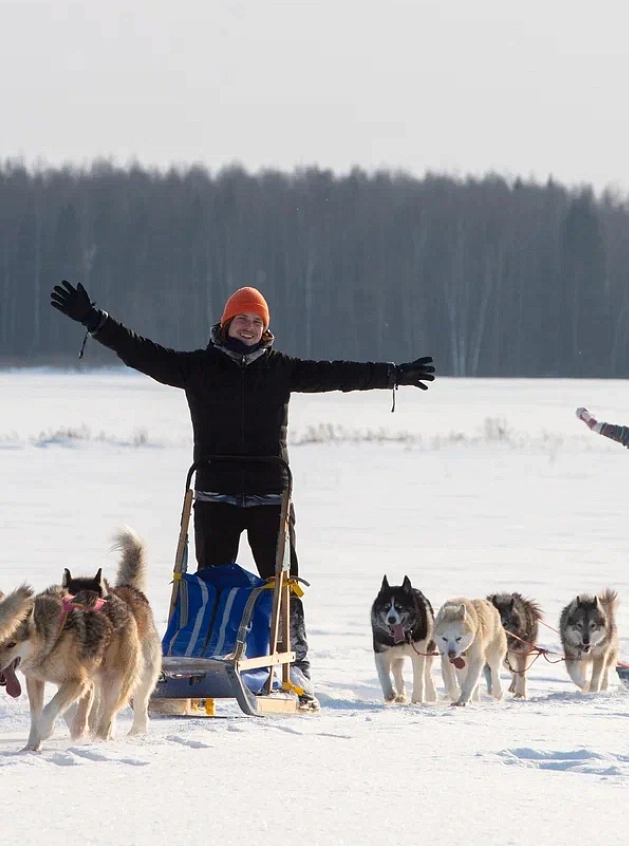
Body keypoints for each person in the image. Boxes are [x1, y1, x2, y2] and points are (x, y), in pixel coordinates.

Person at [50, 280, 435, 711]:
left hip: (272, 495)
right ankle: (204, 667)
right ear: (226, 322)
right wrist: (94, 320)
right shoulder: (198, 367)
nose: (249, 327)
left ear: (265, 328)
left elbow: (338, 373)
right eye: (242, 319)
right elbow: (141, 351)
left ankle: (295, 669)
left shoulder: (282, 368)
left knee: (282, 585)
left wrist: (392, 374)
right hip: (216, 494)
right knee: (210, 586)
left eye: (257, 321)